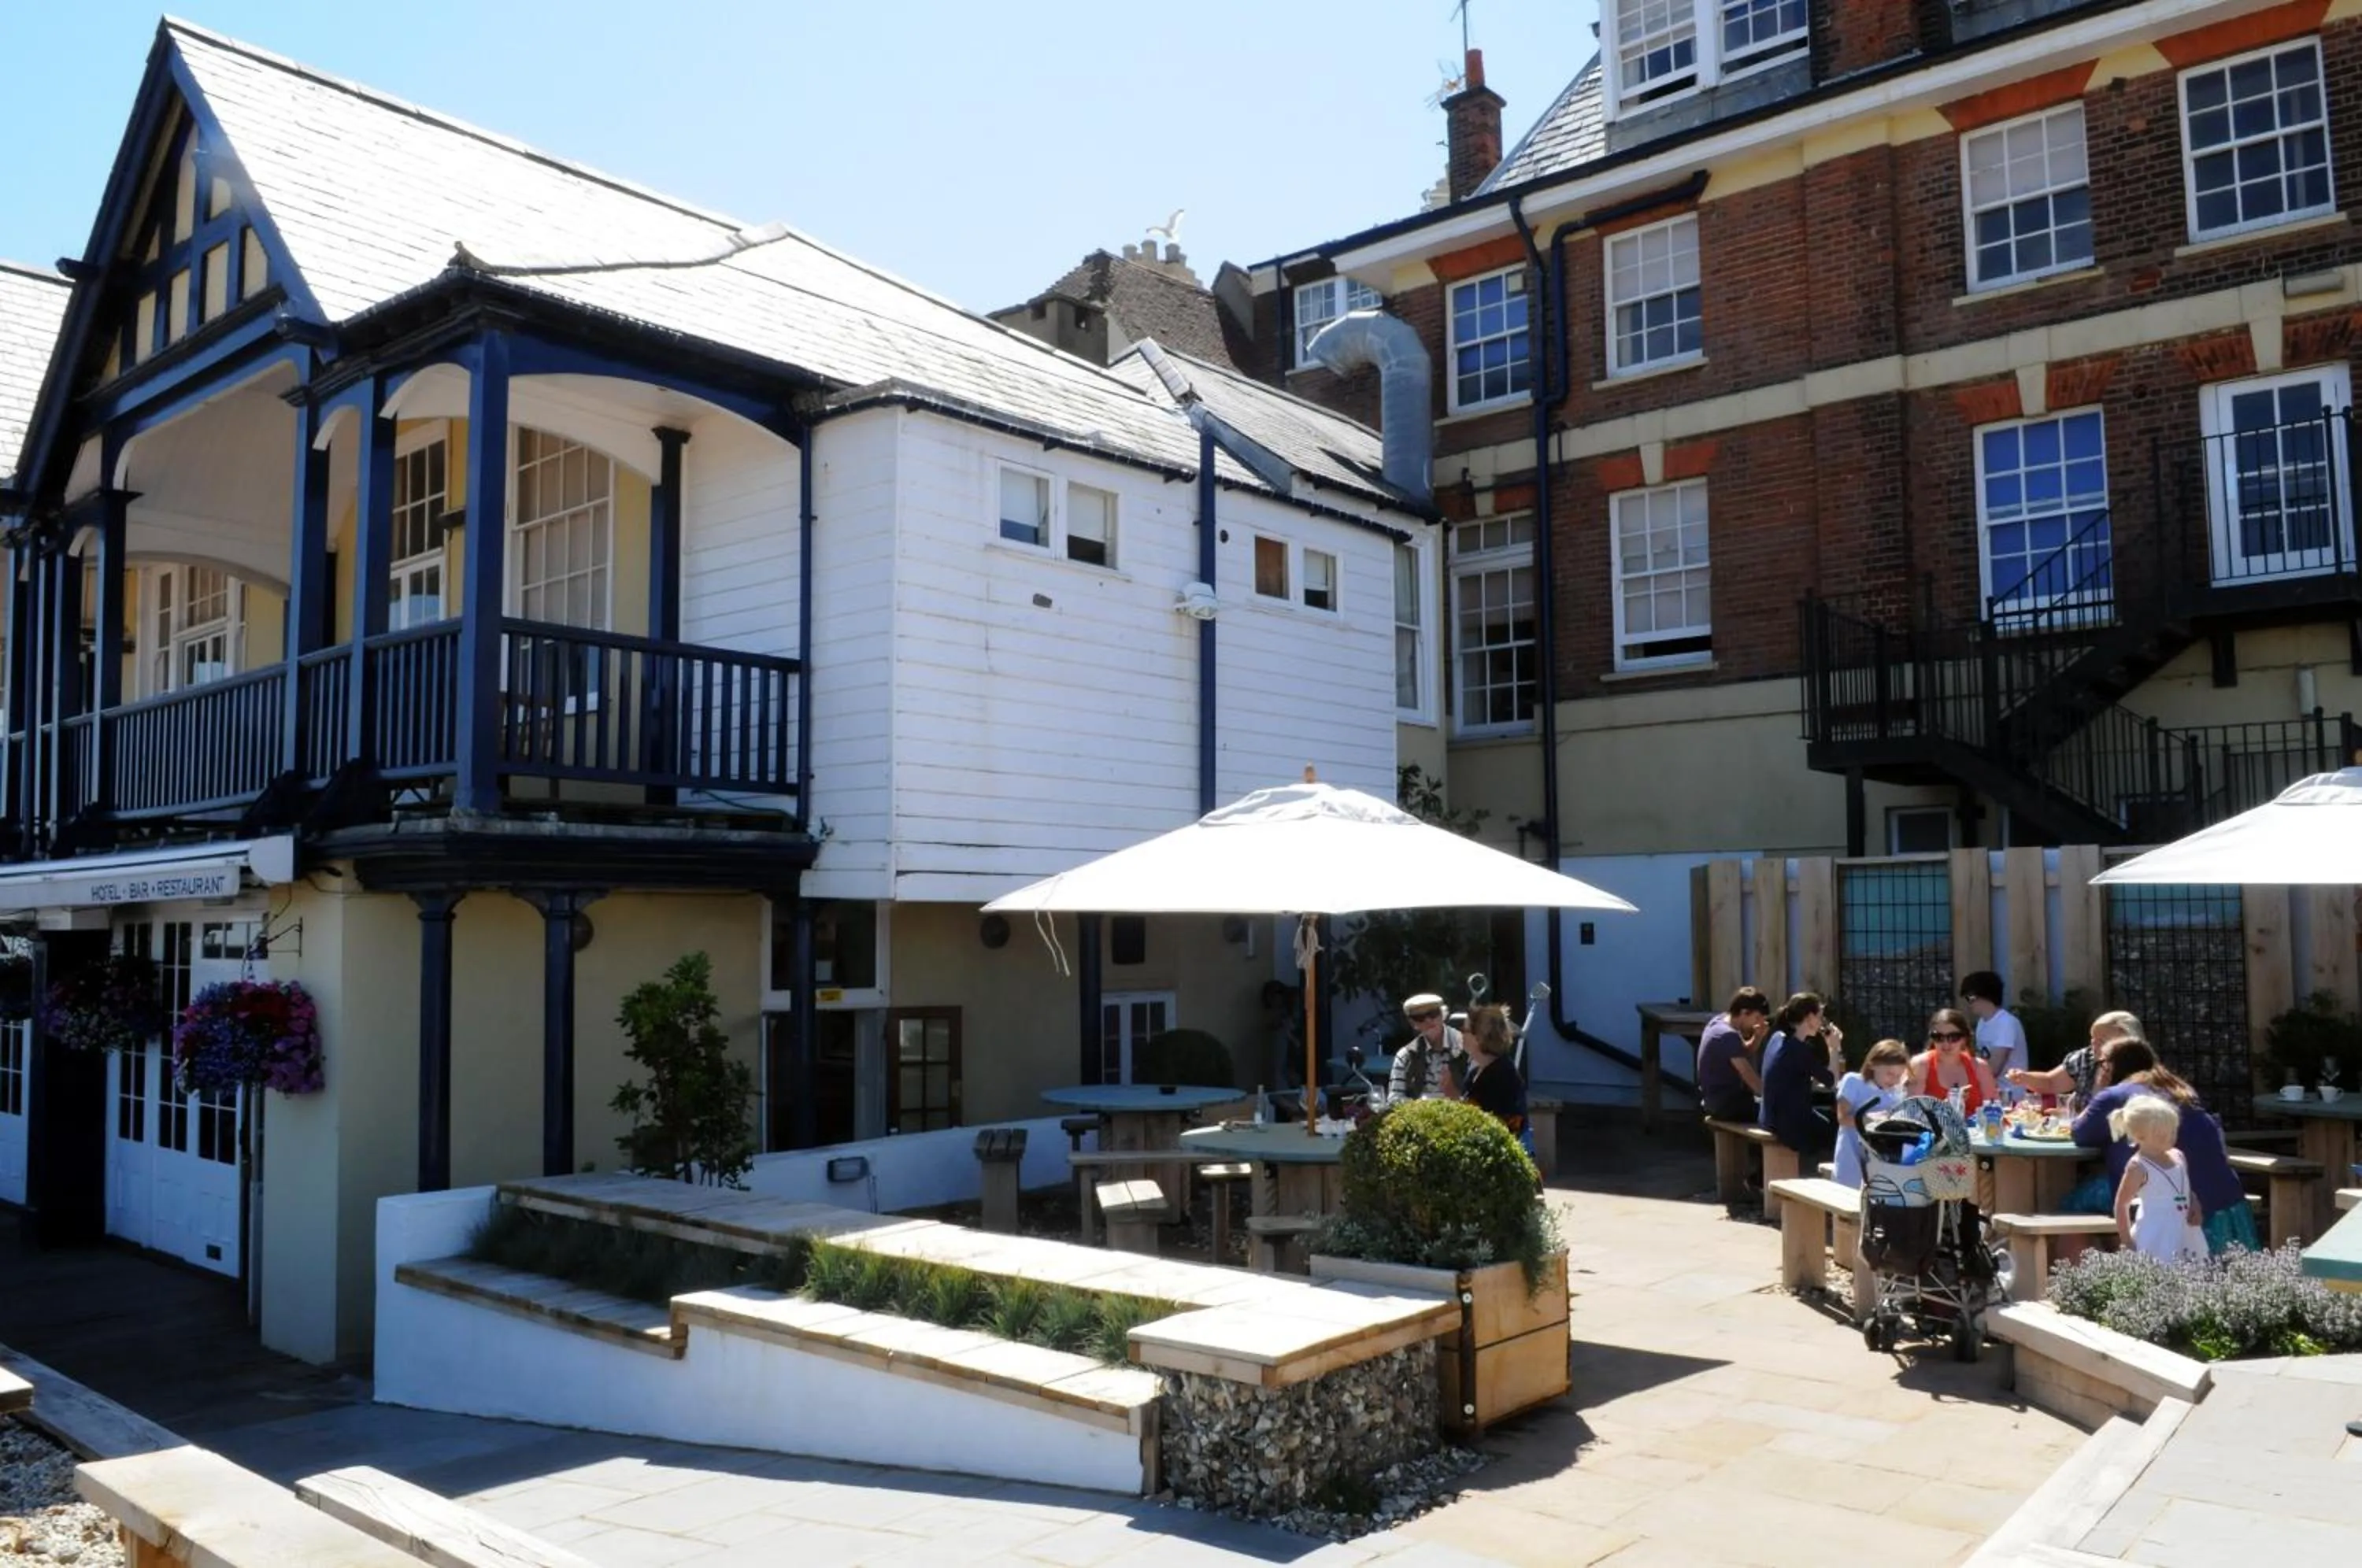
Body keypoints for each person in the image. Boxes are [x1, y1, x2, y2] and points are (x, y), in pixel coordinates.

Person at [2071, 1037, 2256, 1253]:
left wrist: (2095, 1090)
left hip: (2171, 1209)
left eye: (2101, 1063)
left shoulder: (2113, 1096)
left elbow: (2080, 1133)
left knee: (2071, 1205)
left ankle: (2069, 1280)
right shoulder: (2180, 1088)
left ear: (2111, 1067)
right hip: (2227, 1202)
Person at [2110, 1094, 2207, 1261]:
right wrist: (2127, 1241)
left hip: (2185, 1231)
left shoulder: (2179, 1156)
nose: (2170, 1138)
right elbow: (2121, 1204)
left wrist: (2194, 1202)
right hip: (2156, 1234)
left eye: (2173, 1132)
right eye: (2163, 1135)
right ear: (2140, 1136)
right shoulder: (2138, 1167)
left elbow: (2184, 1188)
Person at [1758, 992, 1843, 1166]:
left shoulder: (1779, 1038)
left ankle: (1759, 1177)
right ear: (1810, 1017)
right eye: (1820, 1017)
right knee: (1839, 1131)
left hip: (1769, 1116)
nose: (1821, 1022)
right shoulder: (1799, 1050)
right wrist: (1834, 1048)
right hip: (1787, 1124)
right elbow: (1832, 1081)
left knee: (1826, 1114)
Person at [2008, 1010, 2142, 1114]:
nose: (2094, 1044)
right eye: (2092, 1038)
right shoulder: (2084, 1058)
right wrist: (2024, 1078)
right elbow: (2051, 1082)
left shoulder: (2142, 1068)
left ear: (2127, 1041)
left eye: (2102, 1040)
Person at [1834, 1039, 1913, 1189]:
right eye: (1890, 1074)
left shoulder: (1896, 1093)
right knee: (1847, 1198)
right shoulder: (1853, 1082)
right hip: (1851, 1153)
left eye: (1899, 1076)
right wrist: (1870, 1120)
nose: (1895, 1080)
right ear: (1873, 1064)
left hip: (1879, 1157)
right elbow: (1842, 1118)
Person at [1696, 987, 1770, 1123]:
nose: (1757, 1024)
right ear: (1744, 1013)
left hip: (1716, 1100)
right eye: (1756, 1018)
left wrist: (1757, 1037)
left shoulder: (1719, 1021)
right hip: (1725, 1104)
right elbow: (1747, 1075)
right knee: (1781, 1113)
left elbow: (1742, 1052)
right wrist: (1772, 1097)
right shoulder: (1727, 1035)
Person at [1911, 1008, 1996, 1115]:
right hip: (1934, 1130)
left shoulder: (1979, 1067)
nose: (1946, 1044)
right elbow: (1911, 1112)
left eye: (1953, 1037)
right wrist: (1948, 1105)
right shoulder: (1922, 1065)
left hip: (1976, 1129)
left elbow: (1994, 1109)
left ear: (1964, 1039)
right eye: (1938, 1037)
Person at [1460, 1004, 1527, 1139]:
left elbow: (1491, 1124)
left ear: (1479, 1037)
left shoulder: (1503, 1075)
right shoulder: (1475, 1072)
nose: (1460, 1034)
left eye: (1464, 1030)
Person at [1389, 993, 1464, 1104]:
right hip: (1419, 1119)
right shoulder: (1406, 1056)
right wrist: (1423, 1108)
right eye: (1420, 1018)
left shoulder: (1466, 1048)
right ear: (1413, 1023)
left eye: (1433, 1014)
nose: (1428, 1021)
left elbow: (1481, 1098)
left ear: (1442, 1014)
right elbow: (1394, 1099)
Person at [1961, 971, 2028, 1097]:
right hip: (1990, 1093)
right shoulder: (1982, 1022)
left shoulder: (2006, 1023)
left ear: (1985, 995)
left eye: (1970, 998)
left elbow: (1993, 1069)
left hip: (2010, 1096)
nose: (1968, 1004)